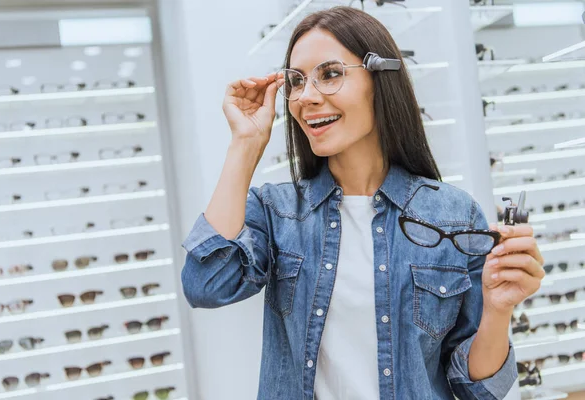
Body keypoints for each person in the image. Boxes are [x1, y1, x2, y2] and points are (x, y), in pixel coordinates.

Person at [181, 6, 545, 400]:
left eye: (331, 74)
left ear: (380, 79)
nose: (307, 97)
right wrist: (245, 143)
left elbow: (477, 390)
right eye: (297, 81)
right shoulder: (277, 212)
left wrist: (498, 309)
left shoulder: (454, 215)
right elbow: (206, 284)